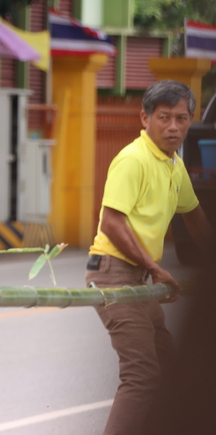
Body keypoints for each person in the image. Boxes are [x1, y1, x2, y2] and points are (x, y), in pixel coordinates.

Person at [85, 79, 212, 435]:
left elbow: (196, 217)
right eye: (165, 117)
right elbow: (111, 222)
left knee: (172, 371)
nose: (174, 127)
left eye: (182, 118)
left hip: (140, 277)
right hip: (113, 274)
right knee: (142, 374)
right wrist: (155, 268)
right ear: (145, 118)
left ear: (191, 120)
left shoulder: (174, 165)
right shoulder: (133, 159)